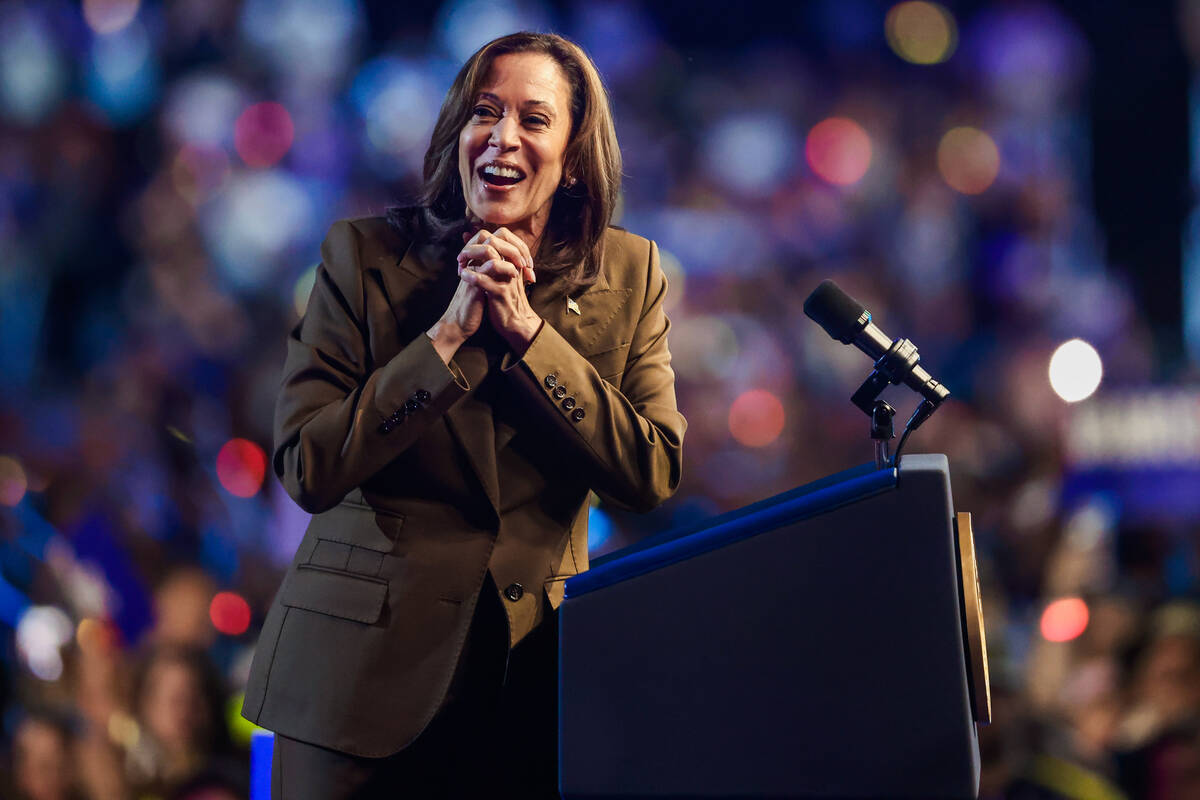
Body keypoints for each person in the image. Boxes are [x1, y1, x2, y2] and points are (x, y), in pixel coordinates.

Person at [241, 31, 685, 798]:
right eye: (486, 112)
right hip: (355, 685)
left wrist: (530, 338)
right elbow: (307, 466)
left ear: (575, 155)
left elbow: (650, 472)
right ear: (457, 133)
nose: (503, 137)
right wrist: (446, 338)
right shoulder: (364, 256)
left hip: (528, 690)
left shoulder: (628, 275)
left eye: (534, 119)